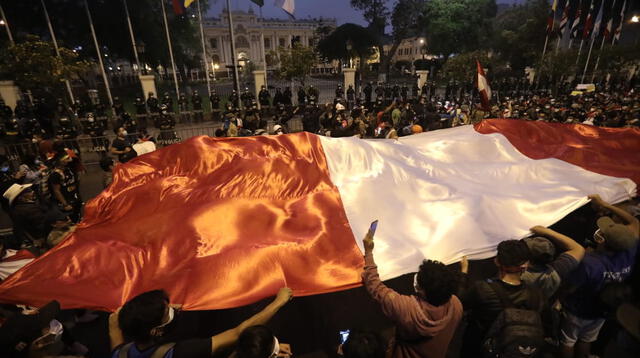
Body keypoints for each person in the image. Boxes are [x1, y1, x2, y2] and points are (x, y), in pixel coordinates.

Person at [361, 225, 463, 358]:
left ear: (422, 291)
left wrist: (368, 252)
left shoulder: (406, 309)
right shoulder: (456, 306)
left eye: (418, 279)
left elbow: (375, 286)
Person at [109, 287, 293, 358]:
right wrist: (279, 302)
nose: (176, 308)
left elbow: (114, 325)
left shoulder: (120, 353)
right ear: (156, 331)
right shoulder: (180, 353)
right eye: (169, 312)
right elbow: (238, 333)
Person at [560, 194, 639, 358]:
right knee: (586, 339)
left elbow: (570, 287)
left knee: (567, 341)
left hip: (578, 310)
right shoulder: (629, 252)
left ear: (602, 240)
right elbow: (634, 222)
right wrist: (604, 204)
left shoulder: (590, 263)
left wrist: (560, 300)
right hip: (601, 311)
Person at [461, 239, 546, 357]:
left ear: (497, 261)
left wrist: (463, 273)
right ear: (525, 265)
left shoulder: (482, 289)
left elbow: (460, 303)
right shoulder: (536, 294)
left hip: (480, 349)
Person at [523, 225, 585, 299]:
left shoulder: (518, 276)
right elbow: (578, 248)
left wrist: (544, 231)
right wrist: (547, 231)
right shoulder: (553, 275)